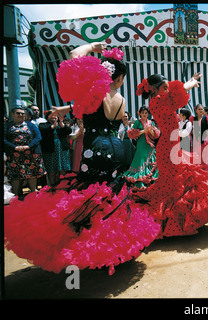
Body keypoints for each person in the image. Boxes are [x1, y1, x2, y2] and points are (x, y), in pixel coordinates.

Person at [4, 43, 161, 276]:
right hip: (117, 149)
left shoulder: (92, 92)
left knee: (89, 194)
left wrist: (93, 46)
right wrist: (66, 110)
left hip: (95, 149)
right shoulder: (121, 99)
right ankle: (114, 246)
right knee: (111, 194)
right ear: (119, 78)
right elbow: (92, 112)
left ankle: (87, 246)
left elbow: (74, 55)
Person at [134, 73, 208, 237]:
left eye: (167, 87)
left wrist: (190, 82)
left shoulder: (160, 99)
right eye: (164, 87)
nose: (167, 89)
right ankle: (170, 223)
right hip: (167, 147)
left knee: (175, 182)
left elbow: (175, 93)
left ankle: (175, 220)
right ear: (154, 89)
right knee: (172, 184)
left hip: (171, 145)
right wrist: (189, 84)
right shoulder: (157, 101)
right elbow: (176, 93)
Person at [4, 106, 46, 196]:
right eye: (18, 113)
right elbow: (4, 139)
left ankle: (33, 193)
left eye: (22, 113)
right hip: (14, 154)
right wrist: (14, 147)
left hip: (30, 153)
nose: (21, 115)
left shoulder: (31, 125)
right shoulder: (7, 125)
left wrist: (28, 146)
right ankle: (16, 195)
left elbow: (38, 137)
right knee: (16, 176)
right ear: (12, 114)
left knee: (32, 174)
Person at [123, 106, 160, 192]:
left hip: (150, 145)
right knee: (140, 160)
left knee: (151, 160)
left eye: (146, 113)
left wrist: (150, 130)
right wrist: (144, 130)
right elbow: (132, 134)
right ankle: (140, 181)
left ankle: (149, 180)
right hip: (141, 144)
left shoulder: (151, 122)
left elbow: (155, 135)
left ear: (148, 114)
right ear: (140, 113)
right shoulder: (137, 122)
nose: (144, 114)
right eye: (143, 113)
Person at [39, 111, 72, 186]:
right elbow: (43, 130)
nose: (54, 117)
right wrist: (52, 126)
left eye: (55, 115)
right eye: (52, 115)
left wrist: (62, 125)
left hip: (62, 150)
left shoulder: (61, 125)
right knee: (51, 169)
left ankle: (63, 185)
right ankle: (53, 186)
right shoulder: (43, 125)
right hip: (50, 150)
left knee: (63, 167)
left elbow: (69, 131)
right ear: (47, 117)